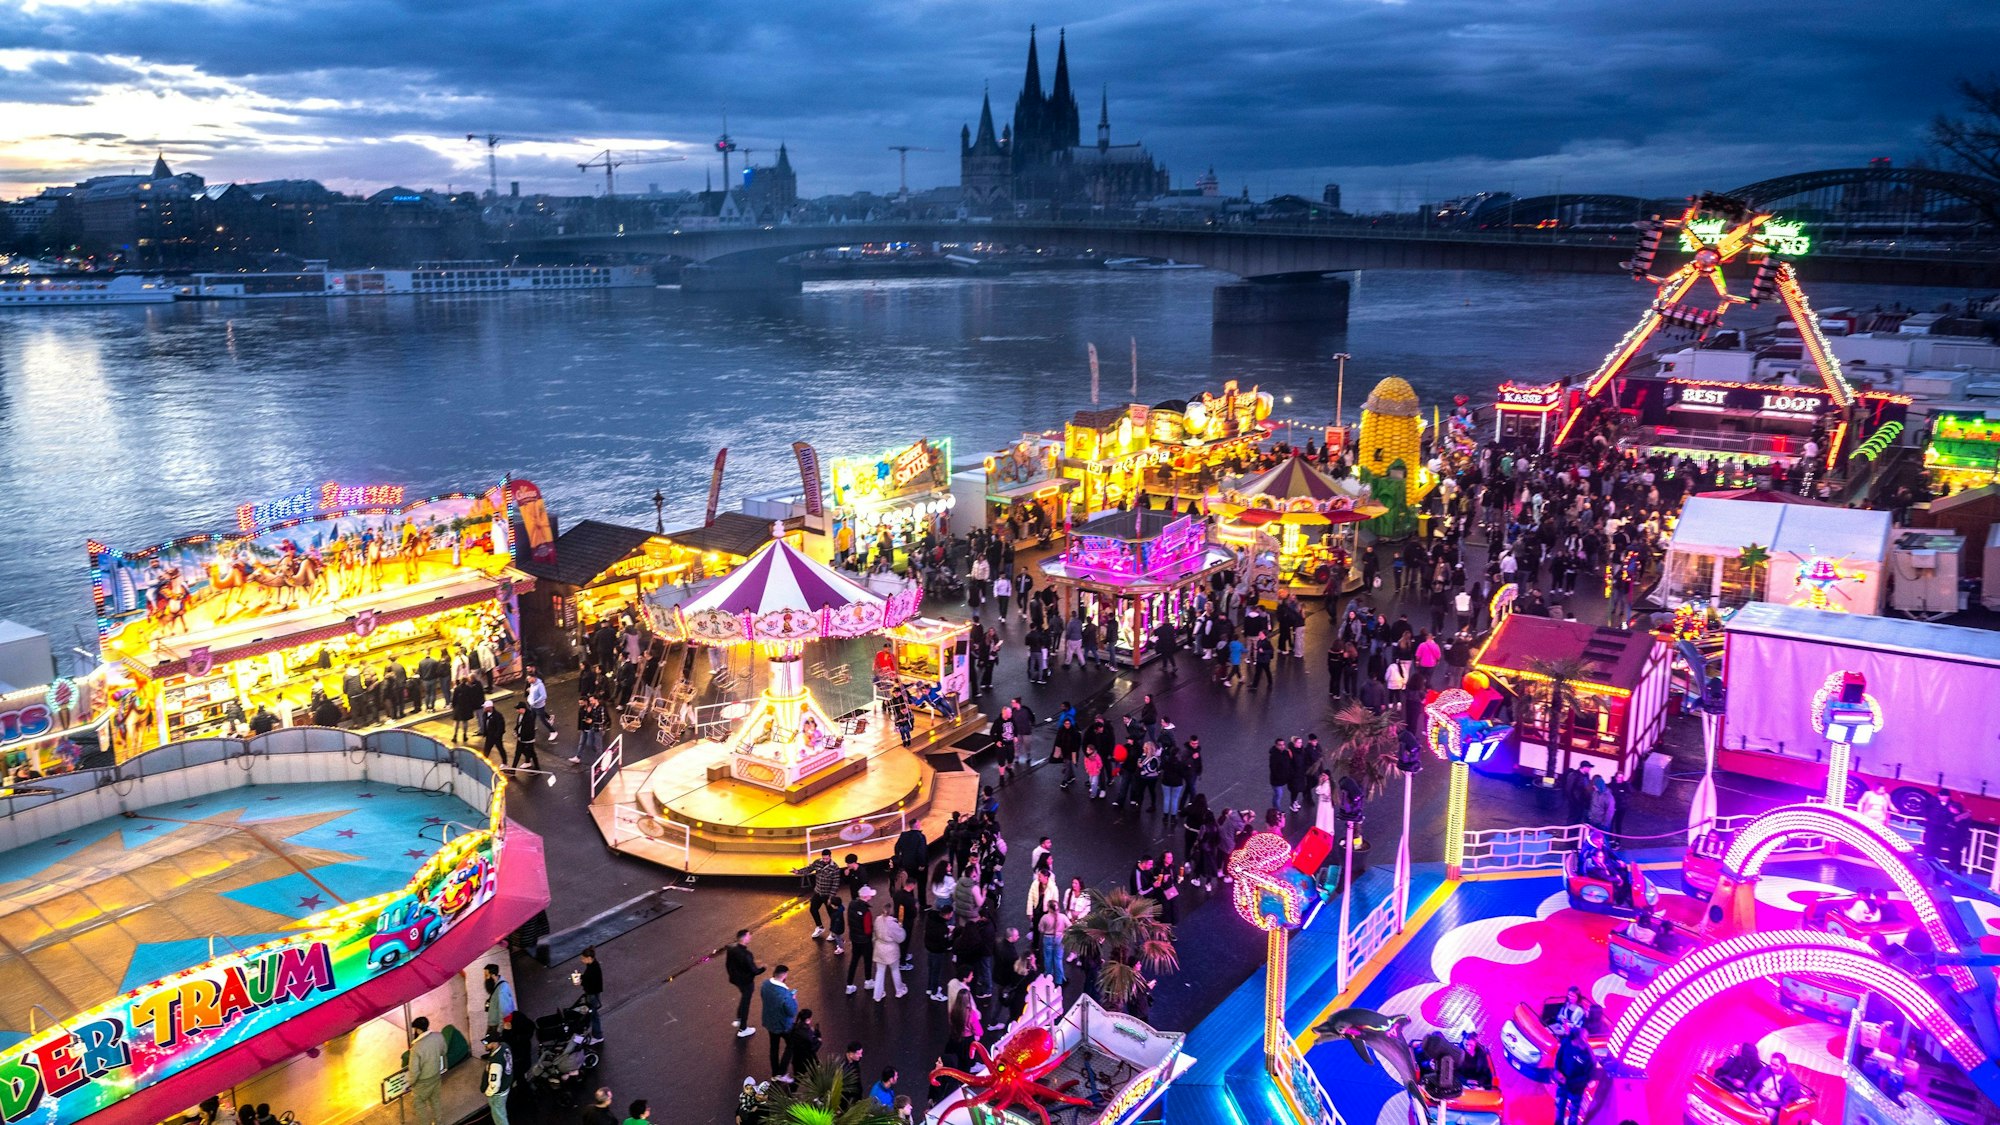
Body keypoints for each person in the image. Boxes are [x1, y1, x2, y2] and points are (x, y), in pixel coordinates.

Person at [407, 1016, 448, 1125]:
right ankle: (438, 1122)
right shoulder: (439, 1036)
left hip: (422, 1083)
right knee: (435, 1100)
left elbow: (414, 1070)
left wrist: (410, 1083)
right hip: (436, 1076)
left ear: (418, 1030)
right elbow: (444, 1051)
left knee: (419, 1104)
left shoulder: (416, 1048)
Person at [761, 965, 798, 1079]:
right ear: (784, 975)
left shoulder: (765, 984)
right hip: (783, 1025)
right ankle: (781, 1073)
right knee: (791, 1044)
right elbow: (791, 1011)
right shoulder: (785, 994)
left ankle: (775, 1073)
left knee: (774, 1048)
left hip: (769, 1022)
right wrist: (793, 999)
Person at [1552, 1025, 1594, 1125]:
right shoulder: (1566, 1043)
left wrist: (1569, 1082)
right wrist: (1557, 1070)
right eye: (1583, 1038)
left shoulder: (1589, 1056)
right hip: (1562, 1084)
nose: (1585, 1041)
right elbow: (1559, 1056)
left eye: (1586, 1038)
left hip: (1576, 1089)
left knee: (1574, 1110)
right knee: (1560, 1105)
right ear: (1577, 1037)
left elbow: (1587, 1077)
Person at [727, 930, 764, 1036]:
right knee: (745, 1003)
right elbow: (754, 971)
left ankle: (739, 1019)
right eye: (748, 935)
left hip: (736, 980)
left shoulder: (731, 948)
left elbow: (729, 965)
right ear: (743, 938)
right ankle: (743, 1029)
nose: (750, 937)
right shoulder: (746, 954)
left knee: (743, 998)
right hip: (746, 982)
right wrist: (763, 968)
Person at [871, 906, 908, 1000]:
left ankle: (877, 995)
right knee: (895, 970)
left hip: (879, 948)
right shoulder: (893, 923)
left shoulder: (877, 920)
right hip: (891, 950)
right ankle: (899, 990)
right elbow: (900, 938)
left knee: (879, 972)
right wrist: (900, 928)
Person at [480, 1031, 514, 1125]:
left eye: (487, 1043)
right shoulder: (505, 1046)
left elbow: (494, 1085)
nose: (485, 1045)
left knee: (499, 1118)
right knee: (502, 1112)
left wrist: (488, 1092)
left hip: (497, 1095)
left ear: (495, 1043)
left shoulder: (496, 1062)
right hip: (506, 1086)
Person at [786, 1009, 822, 1079]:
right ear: (808, 1019)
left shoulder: (794, 1027)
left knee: (798, 1077)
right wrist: (819, 1041)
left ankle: (792, 1089)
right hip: (808, 1058)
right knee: (815, 1075)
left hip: (797, 1058)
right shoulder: (808, 1034)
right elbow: (813, 1048)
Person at [482, 963, 515, 1038]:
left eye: (486, 975)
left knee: (489, 1044)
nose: (485, 978)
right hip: (494, 1021)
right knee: (488, 1044)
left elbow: (505, 1013)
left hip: (496, 1025)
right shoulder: (498, 984)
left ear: (493, 976)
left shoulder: (501, 991)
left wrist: (499, 1030)